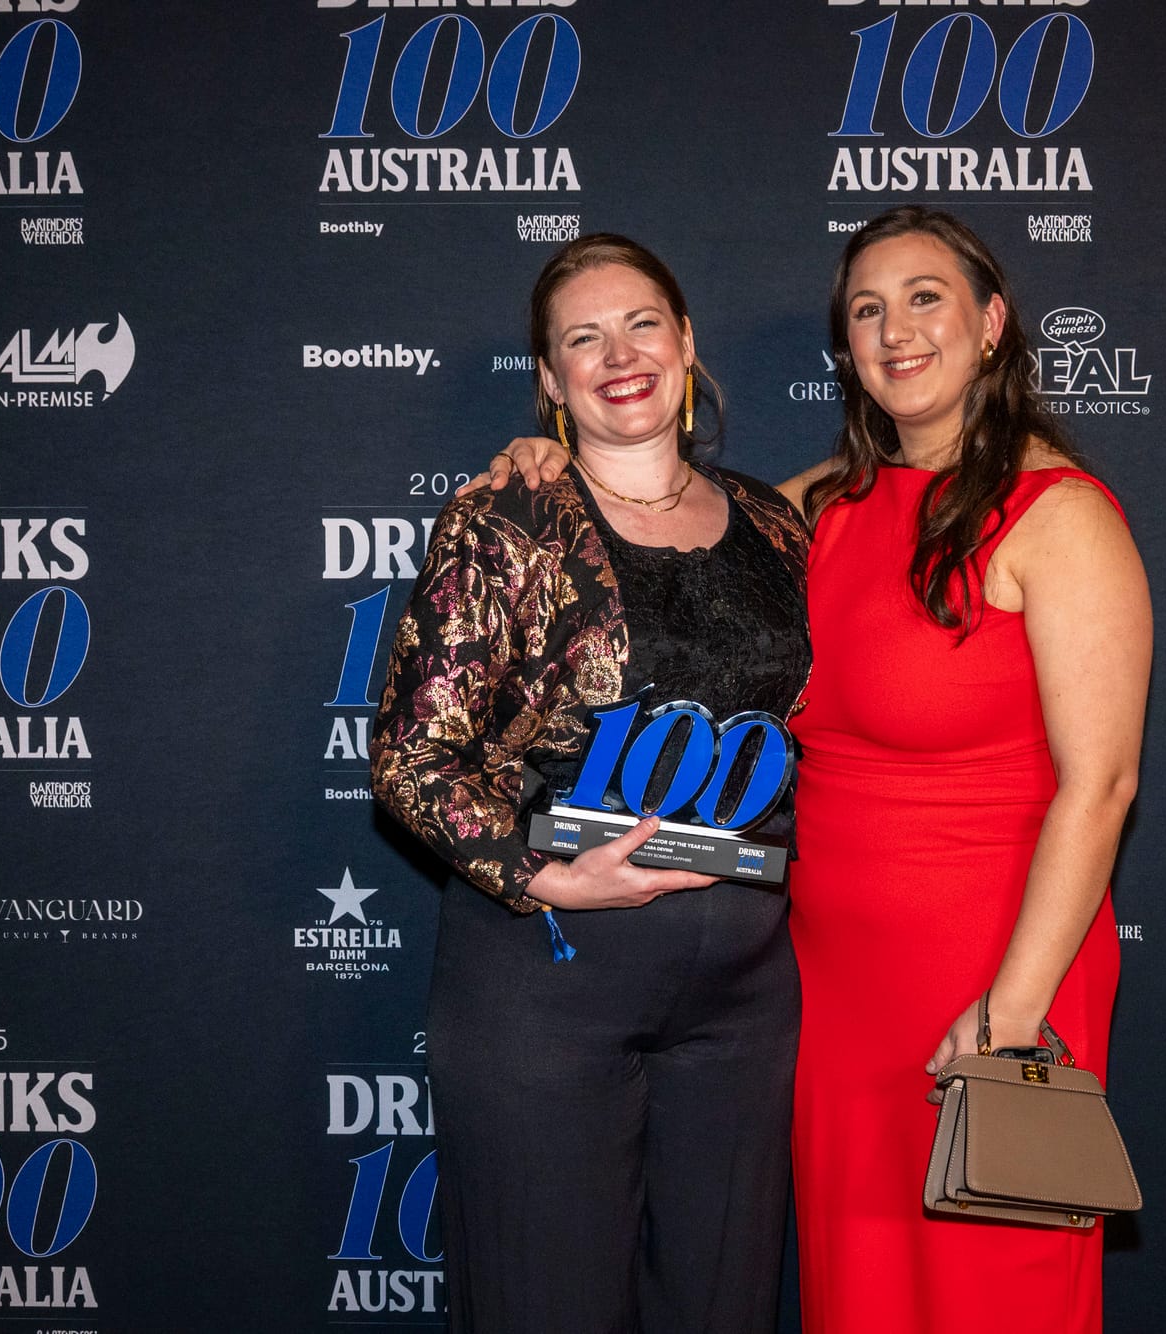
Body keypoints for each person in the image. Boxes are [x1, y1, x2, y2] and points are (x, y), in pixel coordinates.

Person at [474, 206, 1150, 1334]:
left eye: (924, 297)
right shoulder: (811, 509)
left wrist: (1011, 1010)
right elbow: (653, 511)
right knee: (861, 1294)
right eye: (866, 309)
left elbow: (1104, 785)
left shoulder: (1060, 514)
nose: (894, 330)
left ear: (990, 324)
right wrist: (540, 453)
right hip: (824, 987)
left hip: (993, 967)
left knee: (991, 1291)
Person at [370, 234, 813, 1334]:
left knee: (724, 1303)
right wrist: (539, 875)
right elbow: (411, 757)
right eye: (583, 337)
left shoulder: (775, 520)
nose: (619, 353)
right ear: (550, 379)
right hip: (548, 981)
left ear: (686, 344)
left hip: (745, 999)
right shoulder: (506, 518)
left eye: (641, 323)